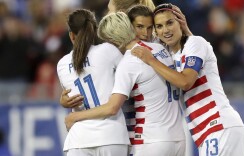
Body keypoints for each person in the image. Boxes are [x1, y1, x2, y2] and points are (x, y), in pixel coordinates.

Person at [64, 12, 186, 156]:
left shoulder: (129, 63)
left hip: (150, 140)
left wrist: (75, 116)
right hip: (178, 138)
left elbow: (112, 107)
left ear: (112, 40)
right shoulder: (160, 49)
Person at [131, 3, 244, 156]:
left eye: (170, 23)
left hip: (218, 125)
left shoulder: (196, 43)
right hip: (207, 132)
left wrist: (151, 60)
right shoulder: (169, 55)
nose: (165, 30)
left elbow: (186, 82)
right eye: (159, 26)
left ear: (181, 22)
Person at [56, 9, 129, 156]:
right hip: (111, 134)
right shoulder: (109, 51)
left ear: (71, 35)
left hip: (79, 139)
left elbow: (71, 97)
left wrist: (63, 102)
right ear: (95, 31)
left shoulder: (62, 64)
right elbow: (130, 77)